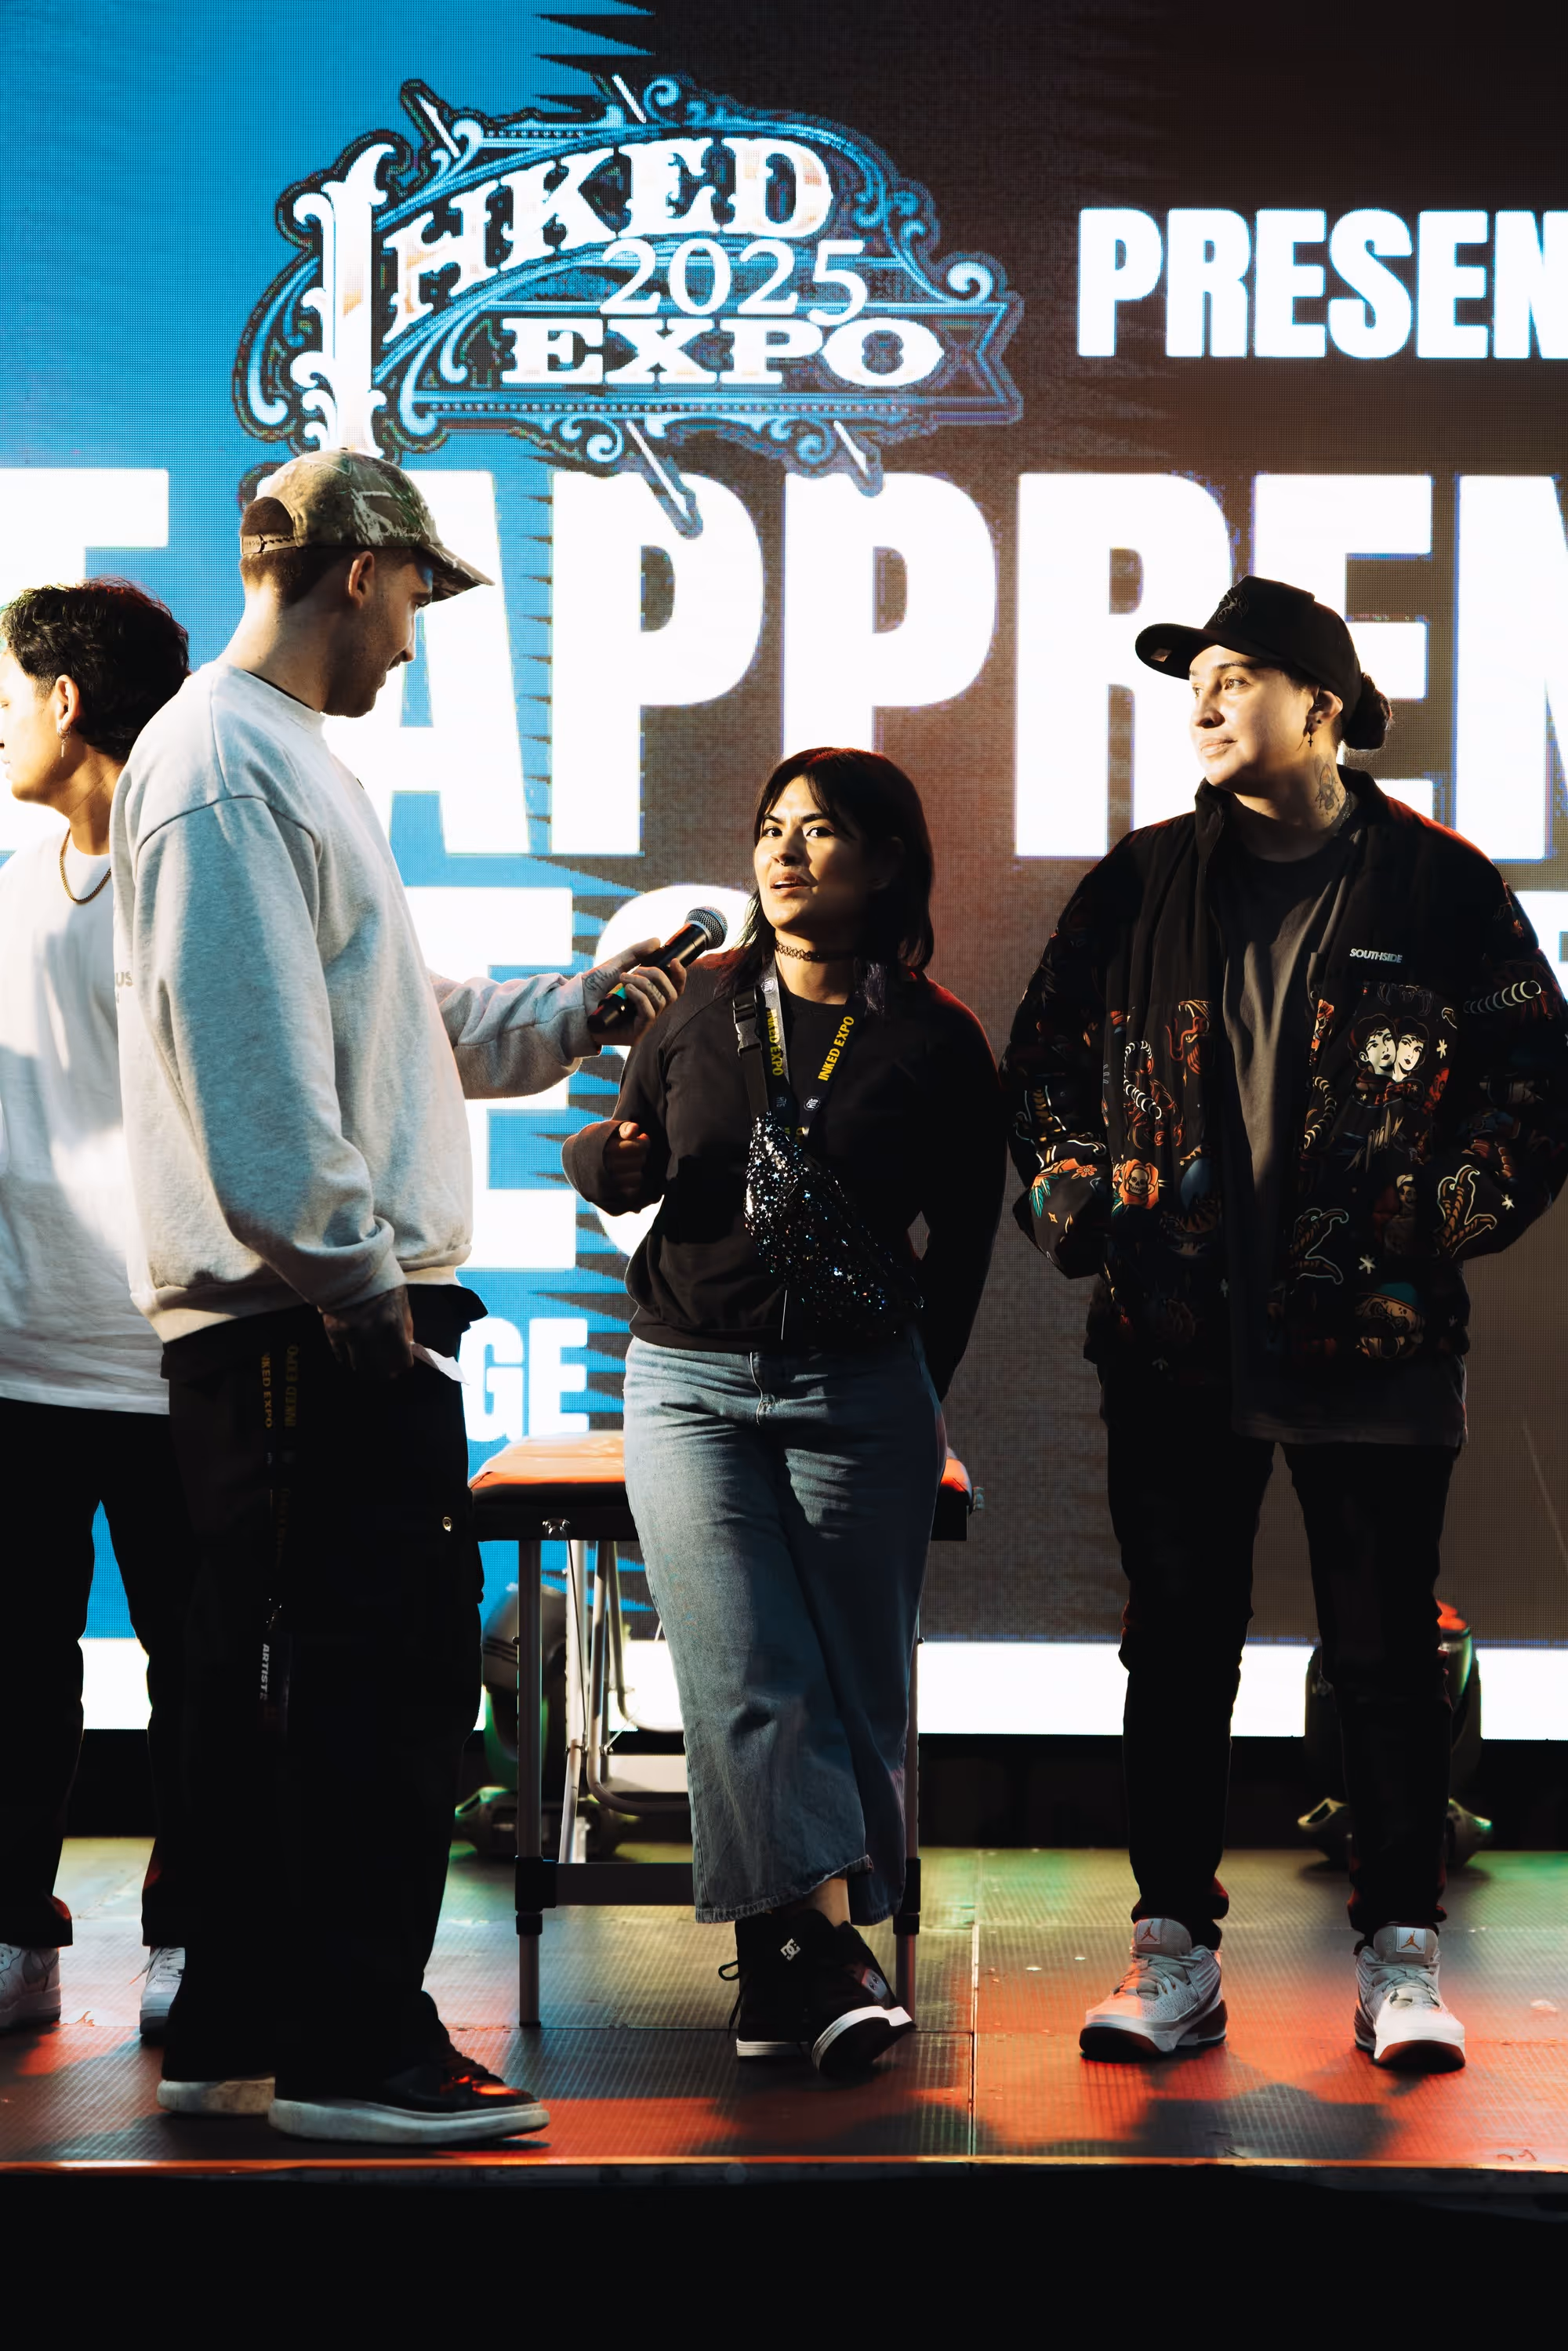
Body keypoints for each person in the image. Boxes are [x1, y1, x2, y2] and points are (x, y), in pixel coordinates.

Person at [110, 449, 684, 2146]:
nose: (421, 640)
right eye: (421, 597)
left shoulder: (266, 757)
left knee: (281, 1692)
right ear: (361, 572)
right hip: (311, 1328)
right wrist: (359, 1286)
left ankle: (240, 2037)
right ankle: (350, 2044)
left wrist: (590, 1004)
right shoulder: (227, 757)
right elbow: (258, 1073)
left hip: (301, 1318)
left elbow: (394, 1019)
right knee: (366, 1695)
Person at [1003, 576, 1568, 2073]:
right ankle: (1173, 1954)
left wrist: (1436, 1219)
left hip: (1370, 1343)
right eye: (1193, 677)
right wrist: (1079, 1205)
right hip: (1174, 1338)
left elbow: (1536, 1078)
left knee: (1382, 1654)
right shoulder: (1134, 885)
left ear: (1323, 706)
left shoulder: (1440, 884)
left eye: (1238, 675)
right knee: (1175, 1651)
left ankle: (1399, 1958)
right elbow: (1042, 1061)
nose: (1202, 698)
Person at [564, 748, 1006, 2077]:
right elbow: (616, 1152)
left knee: (857, 1693)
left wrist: (910, 1383)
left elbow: (971, 1241)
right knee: (745, 1667)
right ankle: (830, 1955)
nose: (786, 852)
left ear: (884, 864)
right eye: (771, 828)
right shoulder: (698, 1007)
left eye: (822, 833)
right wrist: (610, 1162)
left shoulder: (936, 1037)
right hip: (690, 1380)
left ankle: (776, 1979)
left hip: (861, 1389)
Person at [0, 581, 194, 2042]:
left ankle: (194, 1936)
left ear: (68, 700)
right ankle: (13, 1922)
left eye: (9, 692)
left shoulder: (207, 875)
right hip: (19, 1370)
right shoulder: (10, 882)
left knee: (202, 1678)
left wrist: (589, 1009)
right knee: (13, 1672)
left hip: (184, 1360)